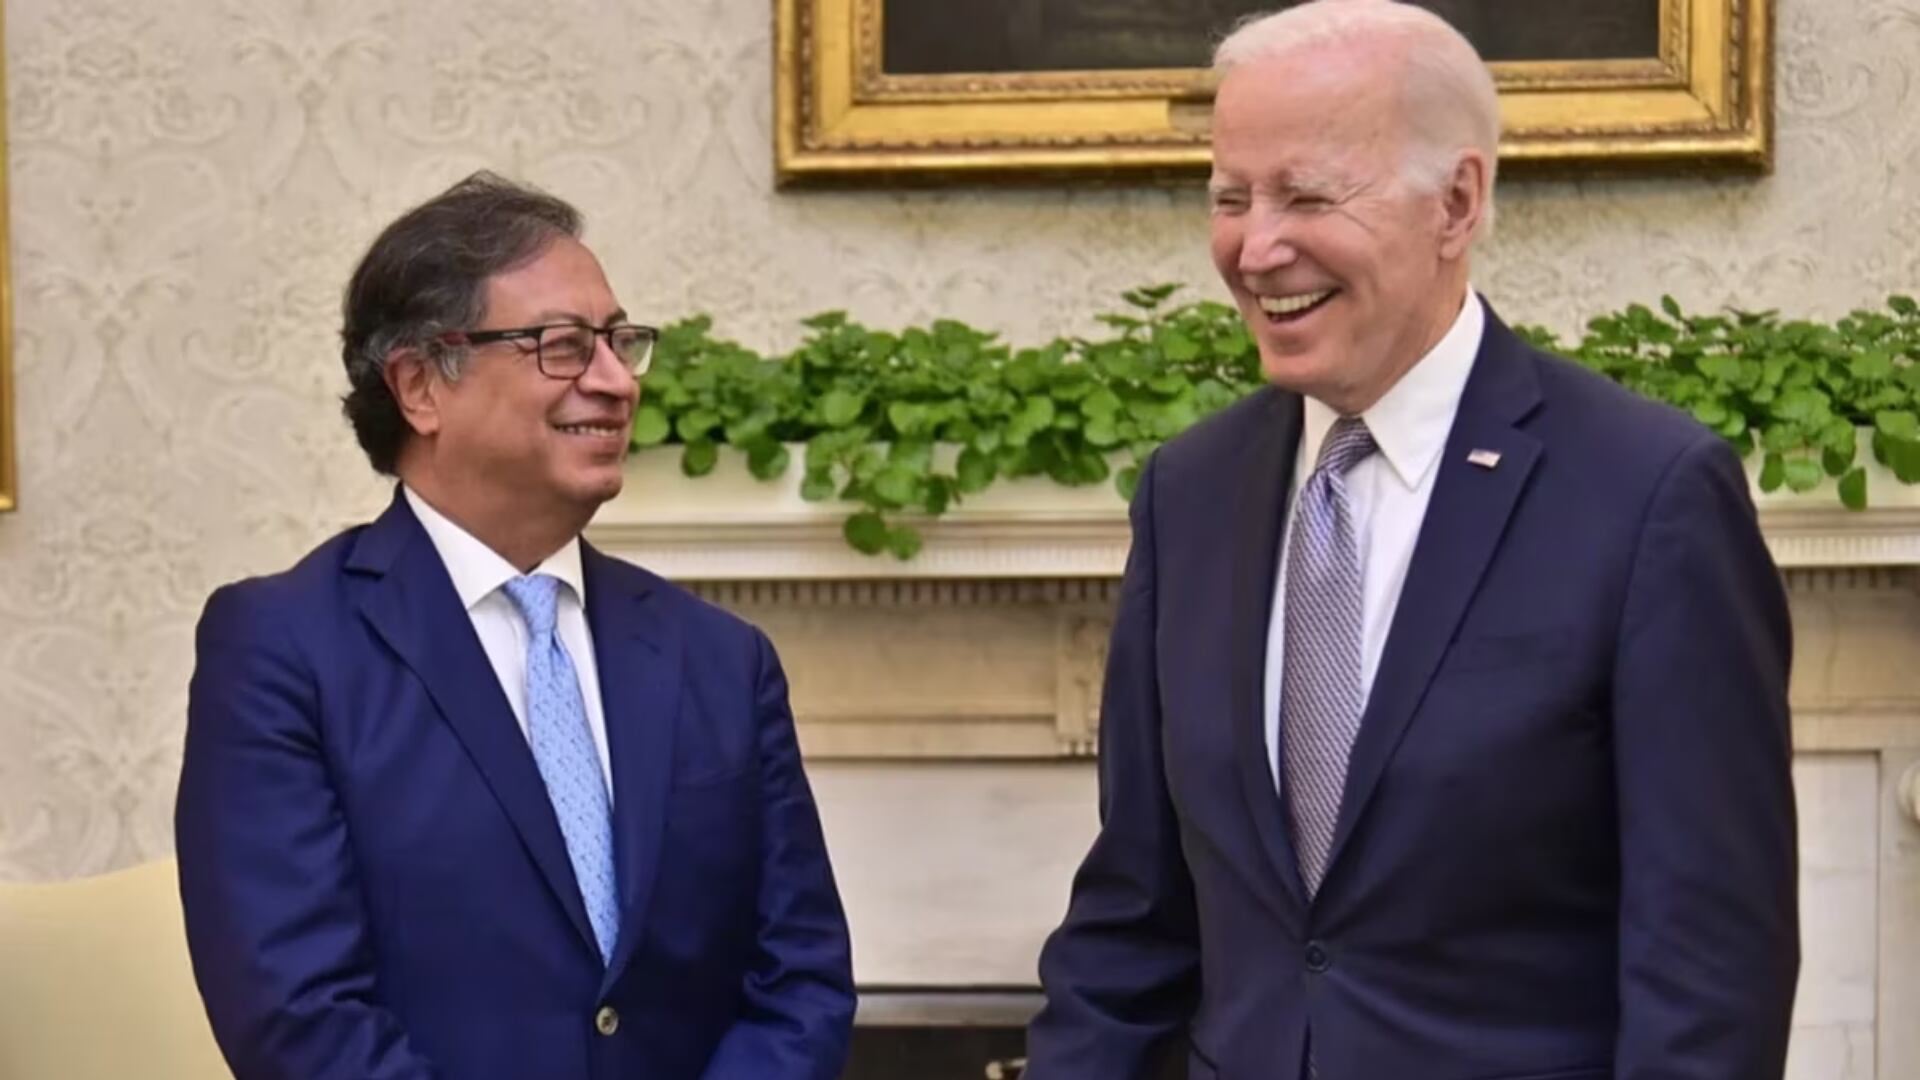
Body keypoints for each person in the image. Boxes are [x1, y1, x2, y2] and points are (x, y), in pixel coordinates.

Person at [1025, 3, 1800, 1077]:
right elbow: (1134, 918)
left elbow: (1708, 979)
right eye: (1230, 197)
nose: (1256, 247)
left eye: (1306, 195)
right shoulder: (1189, 494)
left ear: (1457, 201)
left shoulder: (1649, 498)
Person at [175, 173, 854, 1079]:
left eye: (619, 343)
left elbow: (802, 982)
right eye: (563, 347)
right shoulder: (283, 650)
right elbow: (300, 1017)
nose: (615, 381)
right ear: (420, 385)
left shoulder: (721, 659)